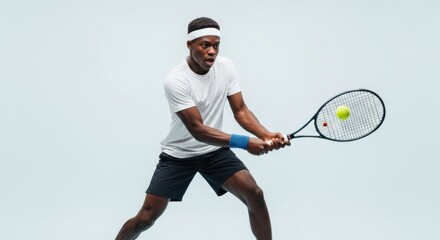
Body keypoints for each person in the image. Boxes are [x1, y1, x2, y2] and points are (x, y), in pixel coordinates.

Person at [115, 17, 290, 240]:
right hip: (179, 155)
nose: (211, 51)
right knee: (146, 218)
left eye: (216, 45)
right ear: (189, 45)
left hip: (214, 152)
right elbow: (198, 130)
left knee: (254, 194)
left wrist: (265, 134)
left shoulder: (226, 67)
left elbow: (241, 110)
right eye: (205, 45)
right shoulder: (176, 80)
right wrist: (246, 143)